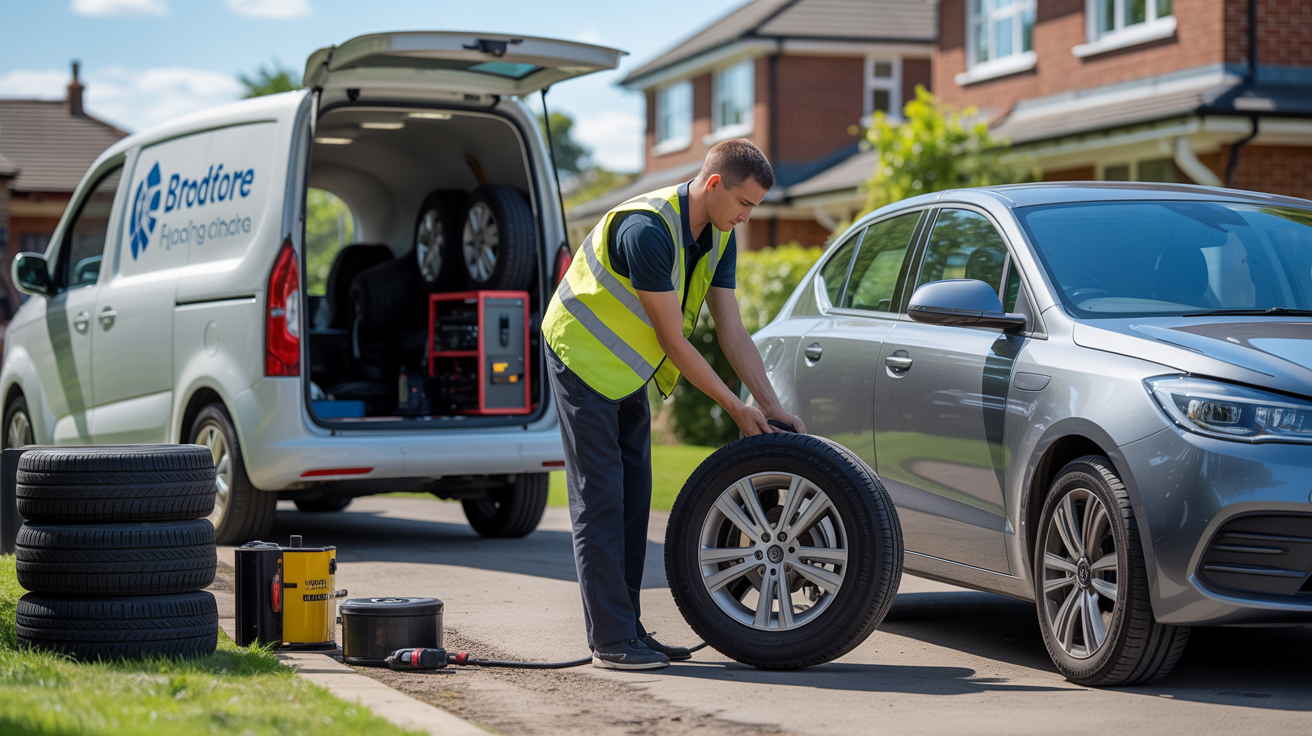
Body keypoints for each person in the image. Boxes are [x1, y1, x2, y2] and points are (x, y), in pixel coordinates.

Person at [542, 138, 806, 670]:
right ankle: (611, 641)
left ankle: (629, 630)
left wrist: (771, 406)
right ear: (714, 185)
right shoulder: (648, 231)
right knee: (601, 499)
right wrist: (735, 408)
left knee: (635, 496)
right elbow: (672, 339)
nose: (747, 217)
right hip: (580, 352)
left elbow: (732, 331)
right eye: (744, 204)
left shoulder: (718, 235)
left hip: (625, 370)